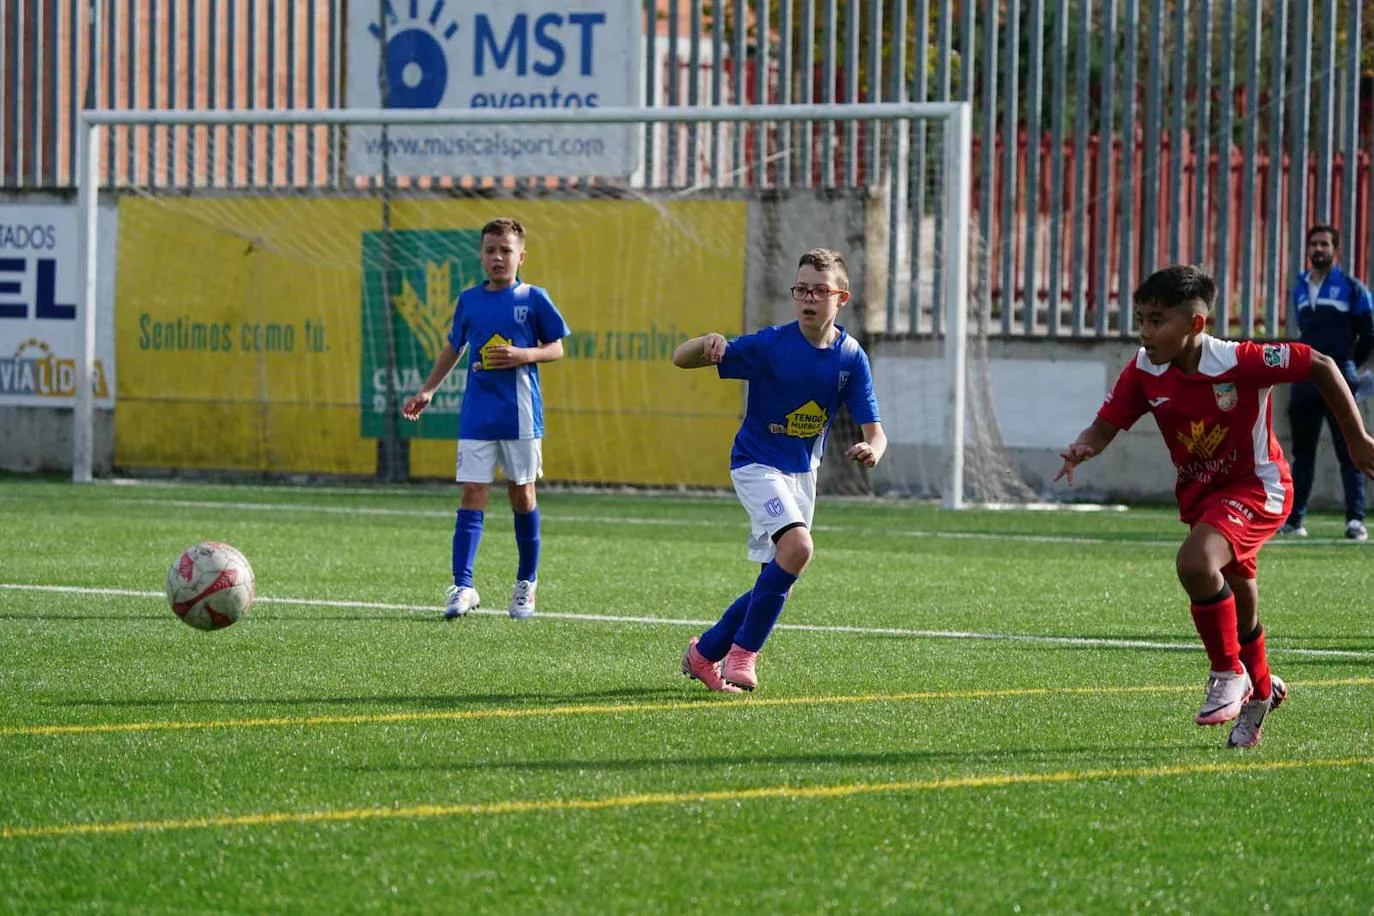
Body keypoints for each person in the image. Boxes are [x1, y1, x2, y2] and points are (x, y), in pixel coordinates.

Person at [1057, 264, 1374, 748]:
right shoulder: (1144, 369)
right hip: (1204, 497)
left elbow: (1322, 365)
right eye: (1140, 318)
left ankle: (1228, 673)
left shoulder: (1241, 361)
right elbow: (1106, 424)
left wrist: (1357, 441)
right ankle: (1261, 690)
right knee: (1241, 607)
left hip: (1257, 488)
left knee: (1195, 562)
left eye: (1157, 320)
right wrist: (1084, 446)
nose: (1146, 332)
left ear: (1195, 325)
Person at [673, 248, 886, 693]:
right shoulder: (772, 345)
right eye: (801, 289)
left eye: (820, 291)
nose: (808, 298)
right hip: (755, 464)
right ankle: (742, 656)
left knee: (779, 575)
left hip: (801, 473)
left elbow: (876, 430)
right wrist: (706, 342)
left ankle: (703, 653)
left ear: (841, 298)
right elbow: (681, 357)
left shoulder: (850, 357)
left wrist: (873, 448)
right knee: (799, 547)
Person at [402, 217, 570, 619]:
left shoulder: (533, 298)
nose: (498, 258)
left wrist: (523, 355)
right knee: (471, 494)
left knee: (522, 496)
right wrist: (429, 388)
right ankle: (463, 586)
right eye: (490, 250)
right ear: (481, 255)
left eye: (506, 251)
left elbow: (557, 348)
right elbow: (453, 347)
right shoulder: (469, 301)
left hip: (521, 417)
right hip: (477, 416)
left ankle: (525, 584)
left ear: (521, 256)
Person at [1279, 224, 1374, 541]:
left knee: (1349, 450)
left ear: (1335, 250)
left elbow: (1368, 333)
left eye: (1324, 244)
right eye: (1313, 245)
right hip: (1305, 379)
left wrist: (1348, 365)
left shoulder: (1351, 287)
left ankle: (1354, 520)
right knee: (1302, 453)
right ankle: (1295, 519)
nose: (1318, 250)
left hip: (1340, 378)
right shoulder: (1300, 286)